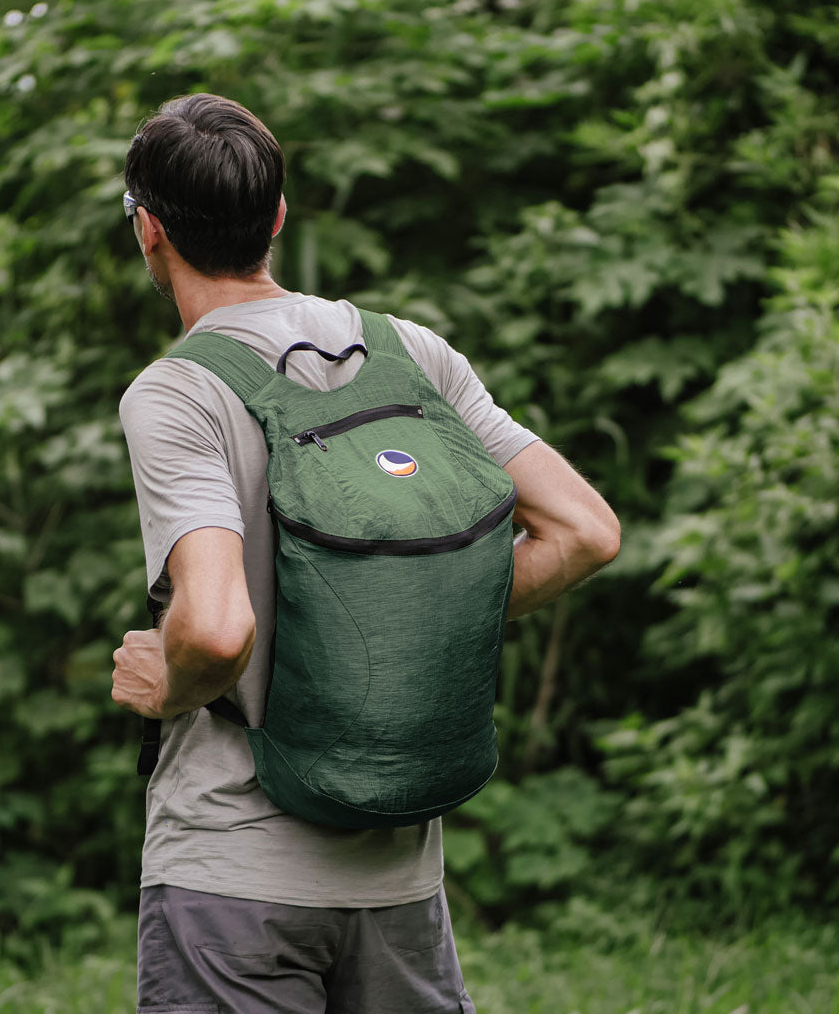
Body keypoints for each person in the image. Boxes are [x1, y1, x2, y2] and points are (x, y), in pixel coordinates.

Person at [112, 92, 620, 1014]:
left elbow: (216, 629)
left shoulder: (179, 393)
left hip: (232, 878)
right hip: (400, 883)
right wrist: (408, 616)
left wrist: (167, 684)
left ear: (149, 229)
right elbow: (586, 531)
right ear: (276, 217)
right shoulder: (407, 352)